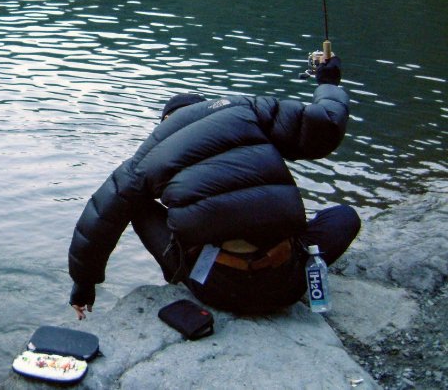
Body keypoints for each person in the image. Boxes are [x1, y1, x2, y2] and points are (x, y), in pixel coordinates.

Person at [67, 57, 360, 319]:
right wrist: (328, 82)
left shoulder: (148, 155)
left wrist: (84, 286)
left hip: (217, 290)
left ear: (165, 122)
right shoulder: (249, 110)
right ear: (203, 108)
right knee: (345, 216)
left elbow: (97, 221)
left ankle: (191, 267)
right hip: (288, 281)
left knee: (134, 203)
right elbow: (327, 125)